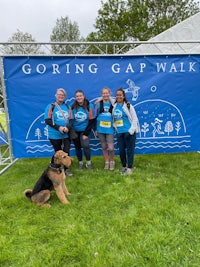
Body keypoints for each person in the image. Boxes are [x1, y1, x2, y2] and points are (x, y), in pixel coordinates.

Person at [44, 88, 73, 177]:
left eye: (62, 95)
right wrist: (59, 127)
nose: (61, 96)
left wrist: (67, 127)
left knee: (66, 152)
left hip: (66, 134)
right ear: (56, 95)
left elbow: (71, 120)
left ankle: (67, 169)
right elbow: (47, 120)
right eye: (59, 94)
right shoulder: (51, 106)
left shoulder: (68, 107)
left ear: (65, 97)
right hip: (54, 135)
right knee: (58, 153)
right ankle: (56, 168)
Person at [112, 87, 139, 175]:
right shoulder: (114, 106)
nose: (118, 96)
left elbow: (135, 119)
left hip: (129, 132)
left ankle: (130, 168)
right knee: (121, 151)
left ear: (123, 96)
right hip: (120, 132)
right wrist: (116, 128)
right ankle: (124, 166)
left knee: (130, 150)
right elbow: (106, 96)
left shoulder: (128, 106)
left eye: (120, 95)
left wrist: (131, 131)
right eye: (117, 95)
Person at [71, 90, 96, 170]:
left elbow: (92, 120)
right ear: (75, 98)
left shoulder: (89, 106)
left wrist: (86, 133)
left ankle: (88, 163)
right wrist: (72, 131)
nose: (79, 97)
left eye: (80, 95)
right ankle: (80, 163)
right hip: (75, 130)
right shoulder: (73, 107)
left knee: (86, 145)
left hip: (84, 130)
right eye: (77, 96)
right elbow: (70, 120)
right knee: (77, 147)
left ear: (84, 96)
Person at [95, 87, 115, 170]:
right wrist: (96, 129)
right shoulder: (98, 104)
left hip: (109, 129)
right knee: (103, 147)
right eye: (103, 93)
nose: (105, 95)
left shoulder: (113, 103)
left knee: (111, 148)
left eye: (107, 93)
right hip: (100, 129)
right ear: (101, 94)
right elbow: (95, 116)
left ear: (109, 93)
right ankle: (106, 161)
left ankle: (112, 161)